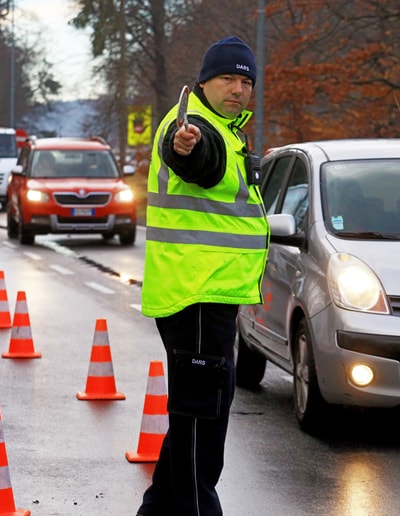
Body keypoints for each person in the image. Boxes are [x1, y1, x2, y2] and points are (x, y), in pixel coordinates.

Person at [138, 35, 269, 516]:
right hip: (194, 294)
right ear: (205, 82)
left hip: (211, 295)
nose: (238, 89)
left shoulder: (230, 131)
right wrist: (185, 147)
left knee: (196, 417)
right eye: (227, 79)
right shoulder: (194, 126)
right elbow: (195, 158)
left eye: (245, 82)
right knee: (202, 428)